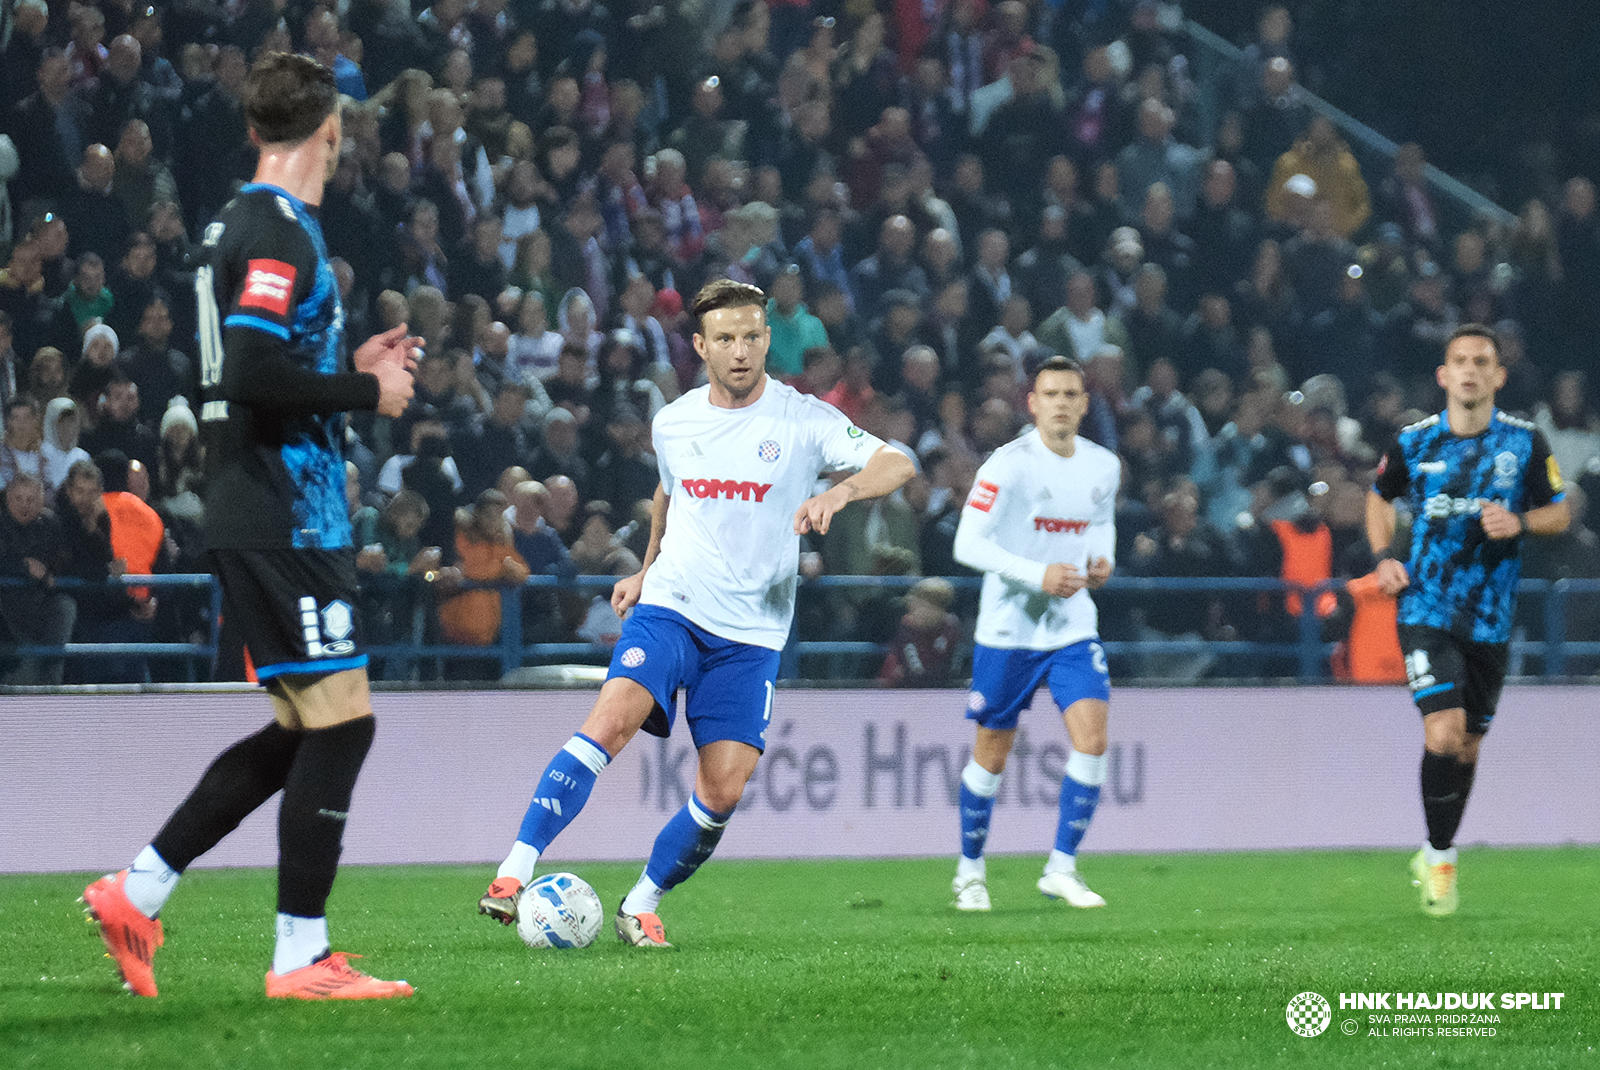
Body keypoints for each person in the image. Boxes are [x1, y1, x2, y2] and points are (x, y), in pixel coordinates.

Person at [81, 53, 419, 1002]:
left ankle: (135, 891)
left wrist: (341, 362)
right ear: (333, 133)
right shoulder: (279, 231)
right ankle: (299, 959)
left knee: (297, 727)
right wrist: (369, 388)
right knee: (342, 725)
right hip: (285, 512)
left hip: (257, 505)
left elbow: (266, 362)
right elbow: (253, 376)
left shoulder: (237, 220)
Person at [477, 279, 915, 947]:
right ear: (701, 346)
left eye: (752, 336)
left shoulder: (803, 420)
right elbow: (668, 492)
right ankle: (515, 869)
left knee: (725, 788)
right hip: (673, 607)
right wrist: (647, 571)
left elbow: (898, 461)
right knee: (614, 715)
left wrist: (842, 492)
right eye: (727, 339)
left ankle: (642, 902)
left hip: (751, 634)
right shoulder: (676, 420)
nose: (741, 350)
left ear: (767, 340)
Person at [1368, 324, 1568, 917]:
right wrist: (1383, 558)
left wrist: (1523, 523)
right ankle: (1439, 859)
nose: (1471, 371)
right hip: (1426, 608)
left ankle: (1438, 850)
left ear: (1499, 376)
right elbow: (1378, 496)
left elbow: (1560, 509)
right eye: (1460, 361)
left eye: (1482, 361)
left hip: (1490, 620)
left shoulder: (1526, 444)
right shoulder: (1414, 443)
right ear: (1443, 375)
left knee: (1469, 748)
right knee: (1444, 734)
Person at [948, 355, 1120, 912]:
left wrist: (1101, 560)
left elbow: (1100, 523)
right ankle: (970, 872)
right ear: (1033, 403)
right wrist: (1037, 575)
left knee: (1092, 741)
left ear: (1084, 403)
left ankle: (1061, 869)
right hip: (1009, 629)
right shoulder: (1008, 465)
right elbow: (966, 545)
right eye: (1051, 394)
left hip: (1072, 627)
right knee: (992, 756)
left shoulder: (1102, 465)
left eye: (1071, 394)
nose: (1062, 403)